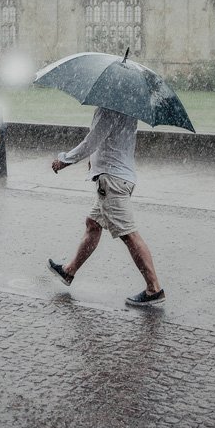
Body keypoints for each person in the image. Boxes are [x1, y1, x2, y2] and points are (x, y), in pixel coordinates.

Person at [47, 105, 165, 307]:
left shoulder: (109, 108)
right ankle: (69, 271)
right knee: (93, 224)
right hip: (117, 176)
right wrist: (96, 161)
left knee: (129, 234)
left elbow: (93, 140)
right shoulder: (127, 107)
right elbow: (113, 141)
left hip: (112, 182)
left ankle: (153, 289)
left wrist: (65, 160)